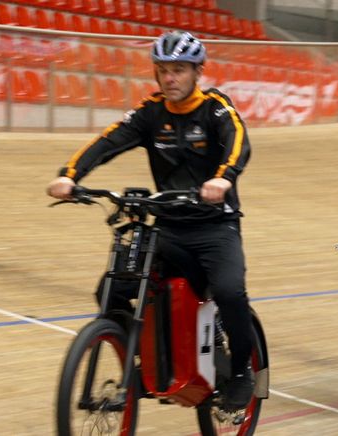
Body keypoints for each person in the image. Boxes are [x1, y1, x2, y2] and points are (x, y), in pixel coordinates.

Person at [46, 31, 254, 410]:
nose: (170, 78)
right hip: (169, 228)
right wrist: (70, 175)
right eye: (163, 71)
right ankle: (138, 365)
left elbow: (238, 140)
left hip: (215, 227)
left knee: (229, 293)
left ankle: (242, 373)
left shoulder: (215, 107)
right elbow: (108, 141)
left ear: (197, 72)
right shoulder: (151, 113)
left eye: (179, 70)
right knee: (111, 290)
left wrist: (223, 177)